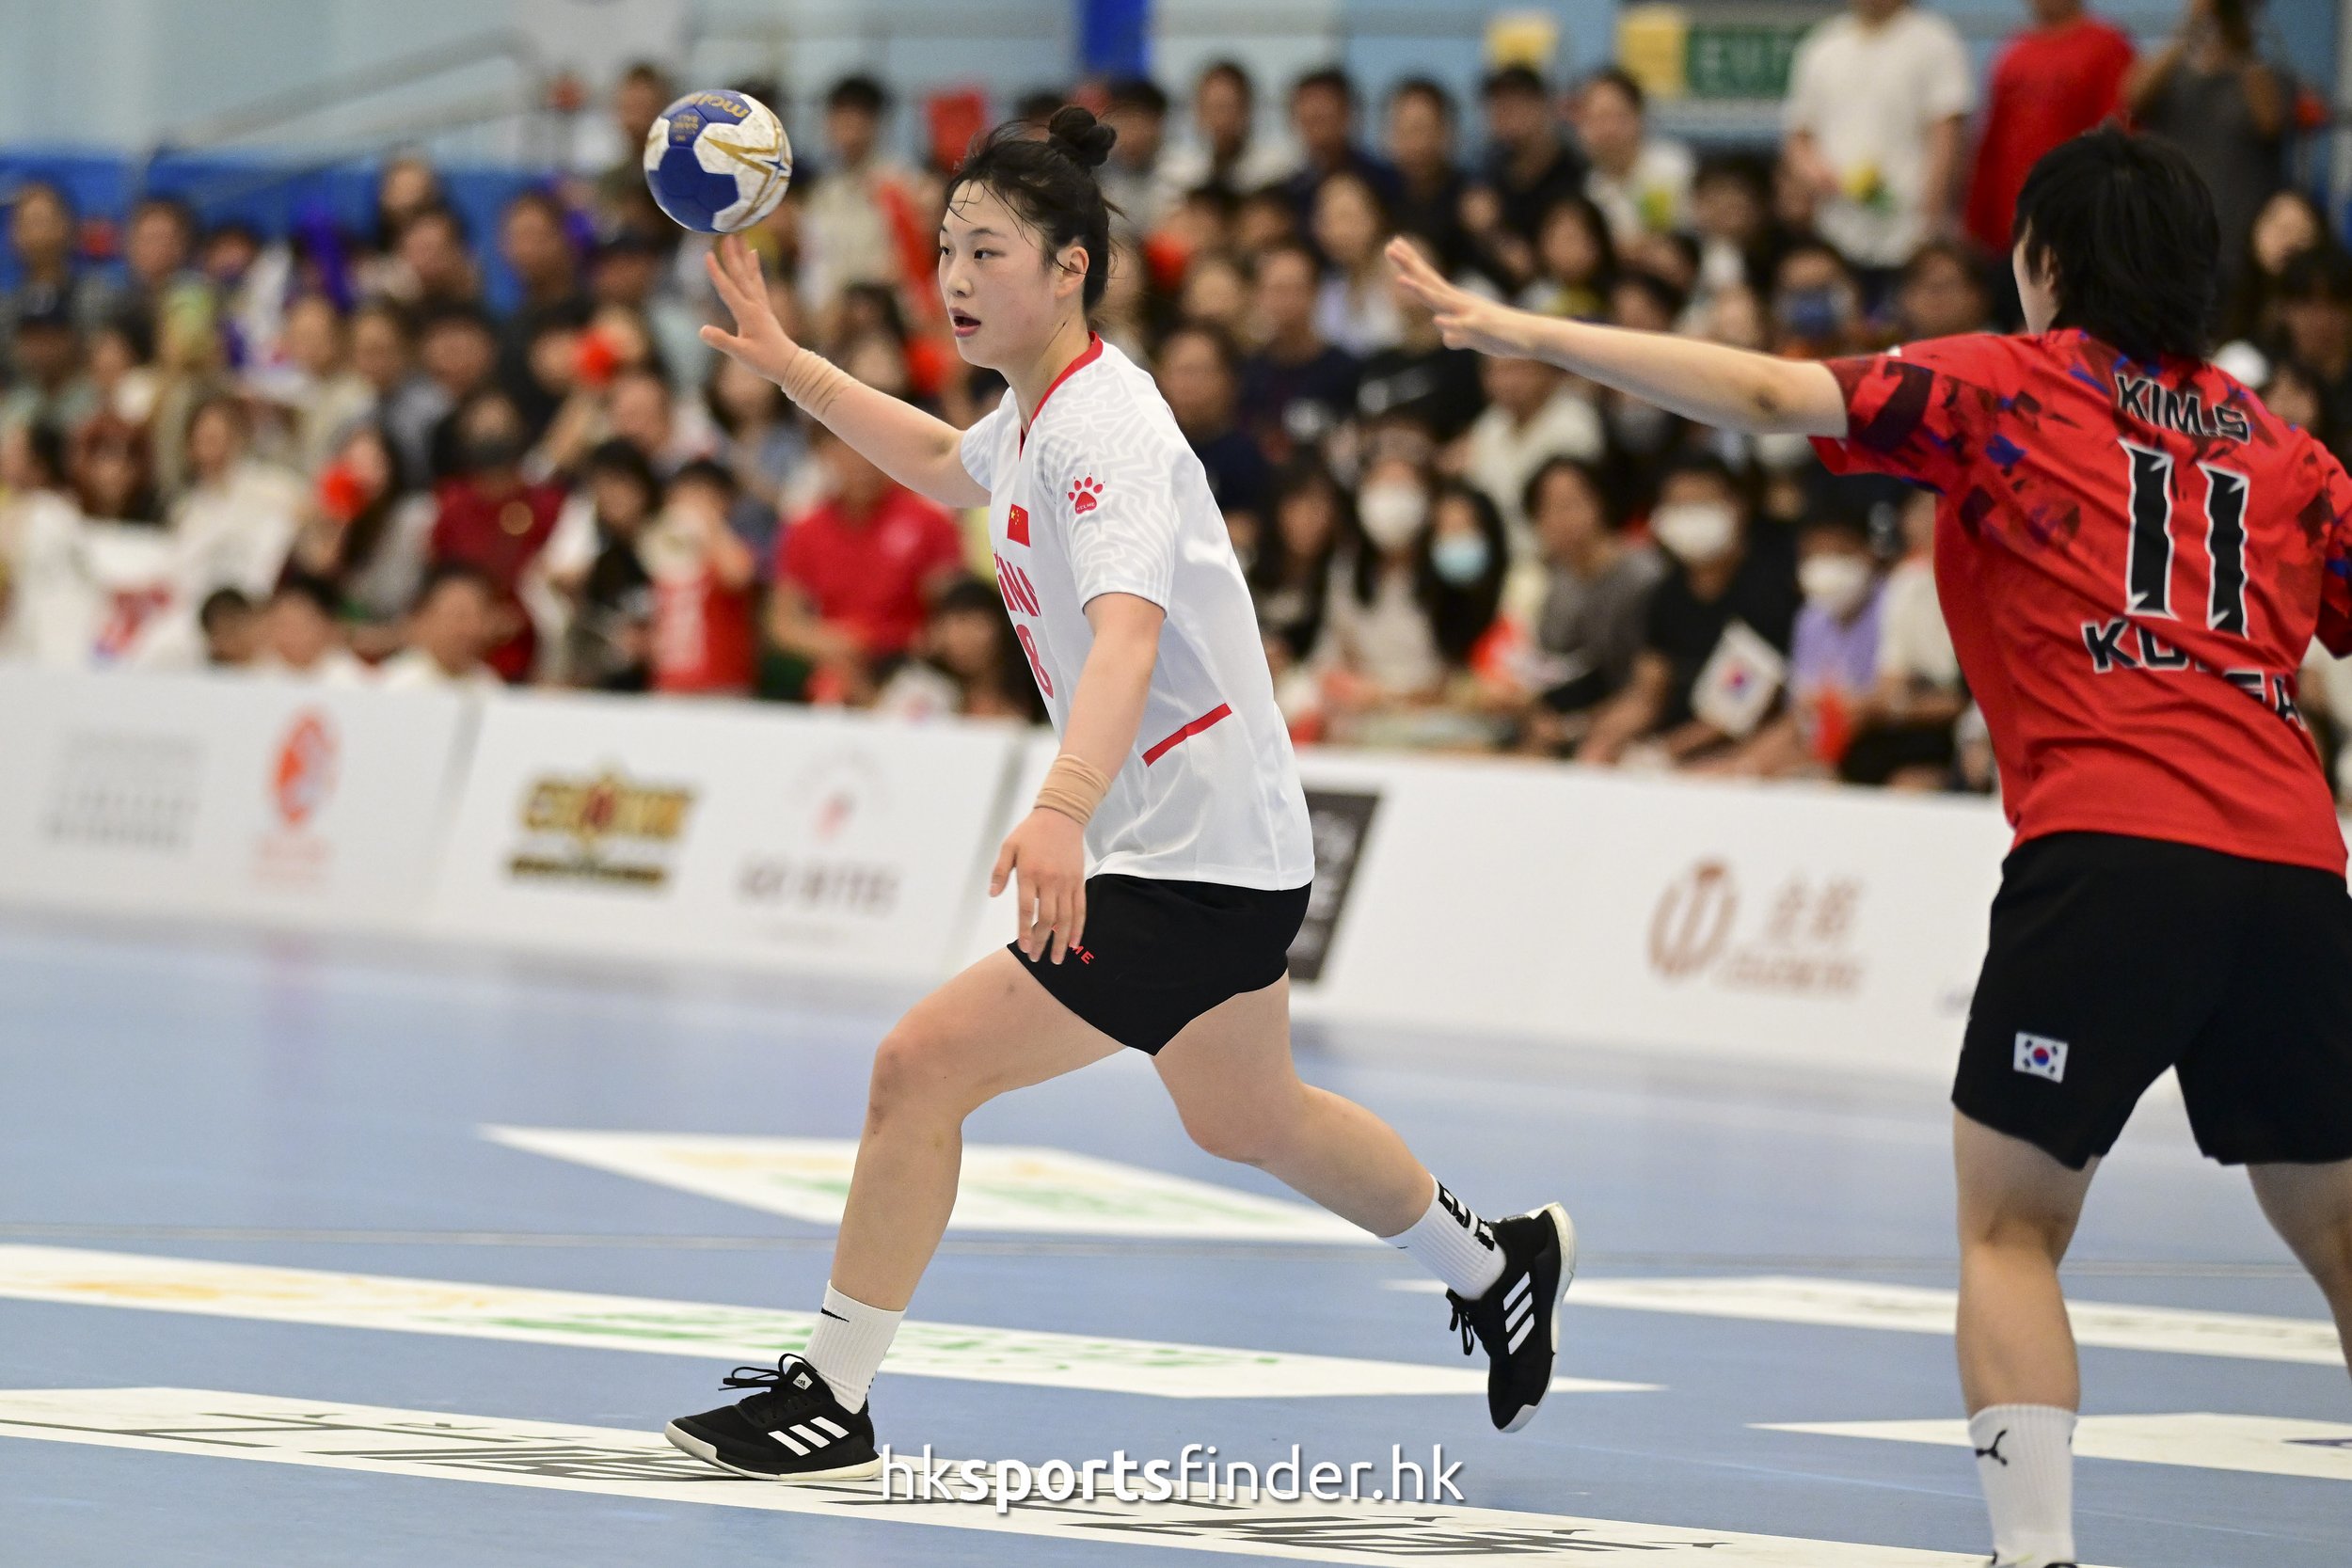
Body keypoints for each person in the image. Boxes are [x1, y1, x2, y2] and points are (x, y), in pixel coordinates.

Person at [1391, 124, 2352, 1568]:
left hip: (2108, 855)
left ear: (2046, 261)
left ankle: (2038, 1552)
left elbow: (1769, 391)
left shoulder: (2008, 385)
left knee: (2010, 1231)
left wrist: (1523, 328)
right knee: (2343, 1238)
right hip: (2295, 869)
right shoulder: (2288, 453)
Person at [667, 104, 1575, 1483]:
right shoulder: (1039, 410)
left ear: (1070, 267)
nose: (956, 277)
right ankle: (1498, 1262)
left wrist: (1062, 806)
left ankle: (832, 1396)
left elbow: (1130, 637)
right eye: (948, 250)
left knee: (918, 1066)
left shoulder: (1107, 434)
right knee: (1248, 1114)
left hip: (1188, 856)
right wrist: (791, 363)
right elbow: (942, 463)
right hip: (1218, 844)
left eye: (988, 251)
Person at [1782, 0, 1975, 287]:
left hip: (1910, 232)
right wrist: (1815, 175)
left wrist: (1931, 222)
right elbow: (1799, 135)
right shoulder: (1823, 45)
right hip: (1836, 230)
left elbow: (1947, 135)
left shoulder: (1935, 42)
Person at [2125, 0, 2287, 296]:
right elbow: (2134, 96)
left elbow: (2270, 122)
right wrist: (2189, 26)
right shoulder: (2175, 77)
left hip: (2241, 251)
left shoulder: (2264, 75)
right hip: (2174, 243)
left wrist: (2241, 41)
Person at [1962, 0, 2134, 261]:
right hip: (2013, 227)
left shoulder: (2108, 46)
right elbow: (1992, 147)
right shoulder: (2013, 52)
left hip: (2077, 226)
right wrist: (1975, 226)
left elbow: (2116, 137)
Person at [1573, 69, 1694, 248]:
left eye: (1613, 116)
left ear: (1639, 116)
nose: (1606, 130)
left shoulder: (1673, 166)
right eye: (1593, 119)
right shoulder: (1590, 189)